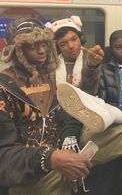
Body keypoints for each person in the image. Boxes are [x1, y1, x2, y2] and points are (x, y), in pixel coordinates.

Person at [48, 19, 122, 195]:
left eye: (74, 39)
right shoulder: (49, 69)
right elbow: (93, 98)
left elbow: (89, 86)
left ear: (81, 39)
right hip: (83, 125)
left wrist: (93, 65)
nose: (71, 46)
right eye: (63, 43)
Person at [0, 18, 91, 195]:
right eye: (33, 46)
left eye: (44, 44)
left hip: (57, 158)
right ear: (17, 51)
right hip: (27, 176)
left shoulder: (49, 78)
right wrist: (48, 158)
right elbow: (4, 155)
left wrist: (68, 137)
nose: (42, 51)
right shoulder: (4, 88)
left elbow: (65, 112)